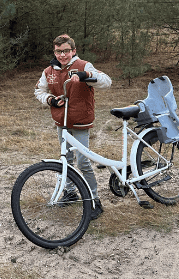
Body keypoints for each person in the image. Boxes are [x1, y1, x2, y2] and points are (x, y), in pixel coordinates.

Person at [34, 34, 112, 220]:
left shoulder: (83, 66)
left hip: (80, 120)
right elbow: (39, 90)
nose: (63, 55)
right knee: (65, 160)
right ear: (55, 52)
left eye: (66, 51)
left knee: (83, 162)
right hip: (62, 121)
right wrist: (50, 100)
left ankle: (94, 200)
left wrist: (86, 76)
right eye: (59, 52)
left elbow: (107, 82)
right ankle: (70, 193)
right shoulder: (49, 72)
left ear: (73, 51)